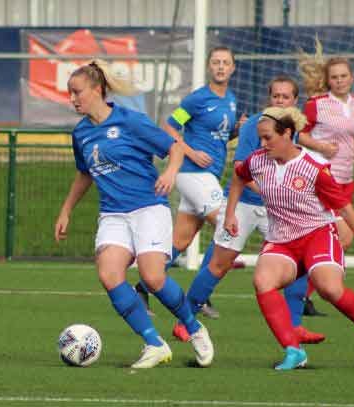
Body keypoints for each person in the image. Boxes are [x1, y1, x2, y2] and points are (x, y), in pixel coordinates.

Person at [55, 60, 214, 369]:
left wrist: (170, 172)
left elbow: (176, 148)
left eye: (77, 92)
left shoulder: (130, 121)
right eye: (69, 93)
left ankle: (193, 328)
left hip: (148, 208)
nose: (73, 99)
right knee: (109, 274)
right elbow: (84, 174)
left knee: (152, 277)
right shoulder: (82, 133)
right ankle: (154, 344)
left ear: (97, 90)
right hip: (113, 214)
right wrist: (66, 211)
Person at [224, 105, 354, 370]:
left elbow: (344, 207)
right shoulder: (258, 160)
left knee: (329, 288)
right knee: (262, 281)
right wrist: (231, 214)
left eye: (268, 138)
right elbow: (239, 178)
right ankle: (293, 351)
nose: (262, 144)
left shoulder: (315, 167)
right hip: (282, 240)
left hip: (317, 235)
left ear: (287, 133)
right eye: (260, 138)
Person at [172, 76, 325, 345]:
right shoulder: (254, 125)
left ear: (294, 101)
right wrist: (235, 210)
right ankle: (185, 322)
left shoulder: (292, 129)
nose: (280, 100)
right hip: (244, 205)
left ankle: (295, 326)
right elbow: (241, 170)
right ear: (269, 98)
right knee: (219, 265)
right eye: (275, 96)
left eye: (285, 97)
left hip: (275, 211)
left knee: (302, 265)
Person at [135, 46, 245, 318]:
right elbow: (171, 127)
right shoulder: (198, 99)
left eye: (225, 62)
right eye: (216, 62)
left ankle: (142, 289)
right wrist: (191, 151)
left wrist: (236, 131)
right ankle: (201, 295)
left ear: (233, 68)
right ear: (210, 67)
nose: (220, 66)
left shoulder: (230, 100)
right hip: (191, 173)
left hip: (208, 176)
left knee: (180, 241)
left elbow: (221, 136)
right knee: (227, 223)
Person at [296, 38, 354, 315]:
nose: (340, 81)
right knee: (343, 236)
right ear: (328, 81)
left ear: (351, 78)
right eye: (335, 77)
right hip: (322, 178)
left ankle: (302, 291)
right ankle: (307, 289)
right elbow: (300, 134)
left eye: (344, 76)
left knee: (336, 237)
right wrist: (319, 146)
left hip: (346, 179)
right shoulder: (316, 104)